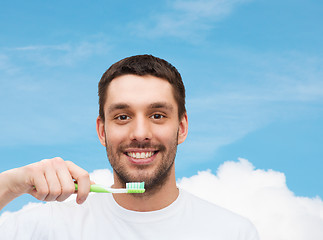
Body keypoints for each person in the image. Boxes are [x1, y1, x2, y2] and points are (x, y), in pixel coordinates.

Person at [0, 55, 259, 239]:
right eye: (123, 117)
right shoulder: (47, 227)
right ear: (102, 131)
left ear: (181, 128)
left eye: (157, 115)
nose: (140, 134)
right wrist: (11, 184)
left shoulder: (233, 232)